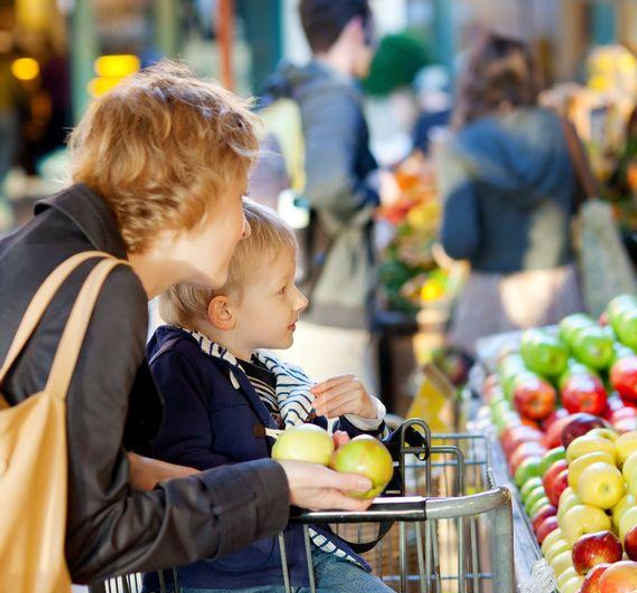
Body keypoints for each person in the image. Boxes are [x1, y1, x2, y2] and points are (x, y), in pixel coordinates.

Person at [0, 61, 374, 585]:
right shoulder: (102, 290)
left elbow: (70, 462)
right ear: (188, 195)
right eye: (237, 197)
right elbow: (96, 534)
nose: (245, 227)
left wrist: (196, 478)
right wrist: (273, 487)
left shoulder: (45, 248)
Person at [147, 200, 393, 592]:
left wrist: (363, 419)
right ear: (225, 312)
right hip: (223, 580)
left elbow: (323, 457)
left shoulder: (272, 375)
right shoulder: (177, 368)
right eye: (282, 289)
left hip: (299, 562)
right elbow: (183, 477)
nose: (301, 300)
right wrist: (276, 480)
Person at [435, 33, 584, 354]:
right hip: (559, 290)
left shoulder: (461, 145)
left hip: (492, 298)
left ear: (472, 81)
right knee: (567, 390)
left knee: (493, 396)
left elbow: (458, 242)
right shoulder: (561, 129)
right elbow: (585, 201)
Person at [263, 0, 381, 390]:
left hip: (305, 291)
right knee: (350, 433)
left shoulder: (297, 87)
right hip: (332, 298)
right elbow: (331, 185)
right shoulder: (334, 96)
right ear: (355, 29)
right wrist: (374, 195)